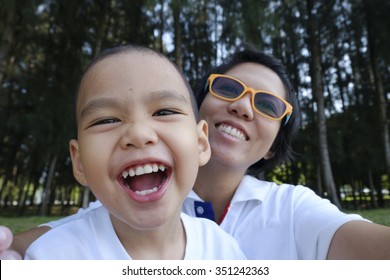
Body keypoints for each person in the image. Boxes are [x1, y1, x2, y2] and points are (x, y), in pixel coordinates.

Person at [2, 45, 390, 259]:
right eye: (228, 88)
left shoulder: (293, 209)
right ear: (199, 119)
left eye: (268, 105)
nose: (242, 106)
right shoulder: (114, 209)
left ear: (274, 145)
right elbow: (37, 244)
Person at [11, 44, 246, 260]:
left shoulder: (223, 249)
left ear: (200, 144)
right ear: (80, 161)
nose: (139, 134)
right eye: (106, 120)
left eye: (164, 112)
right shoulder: (51, 258)